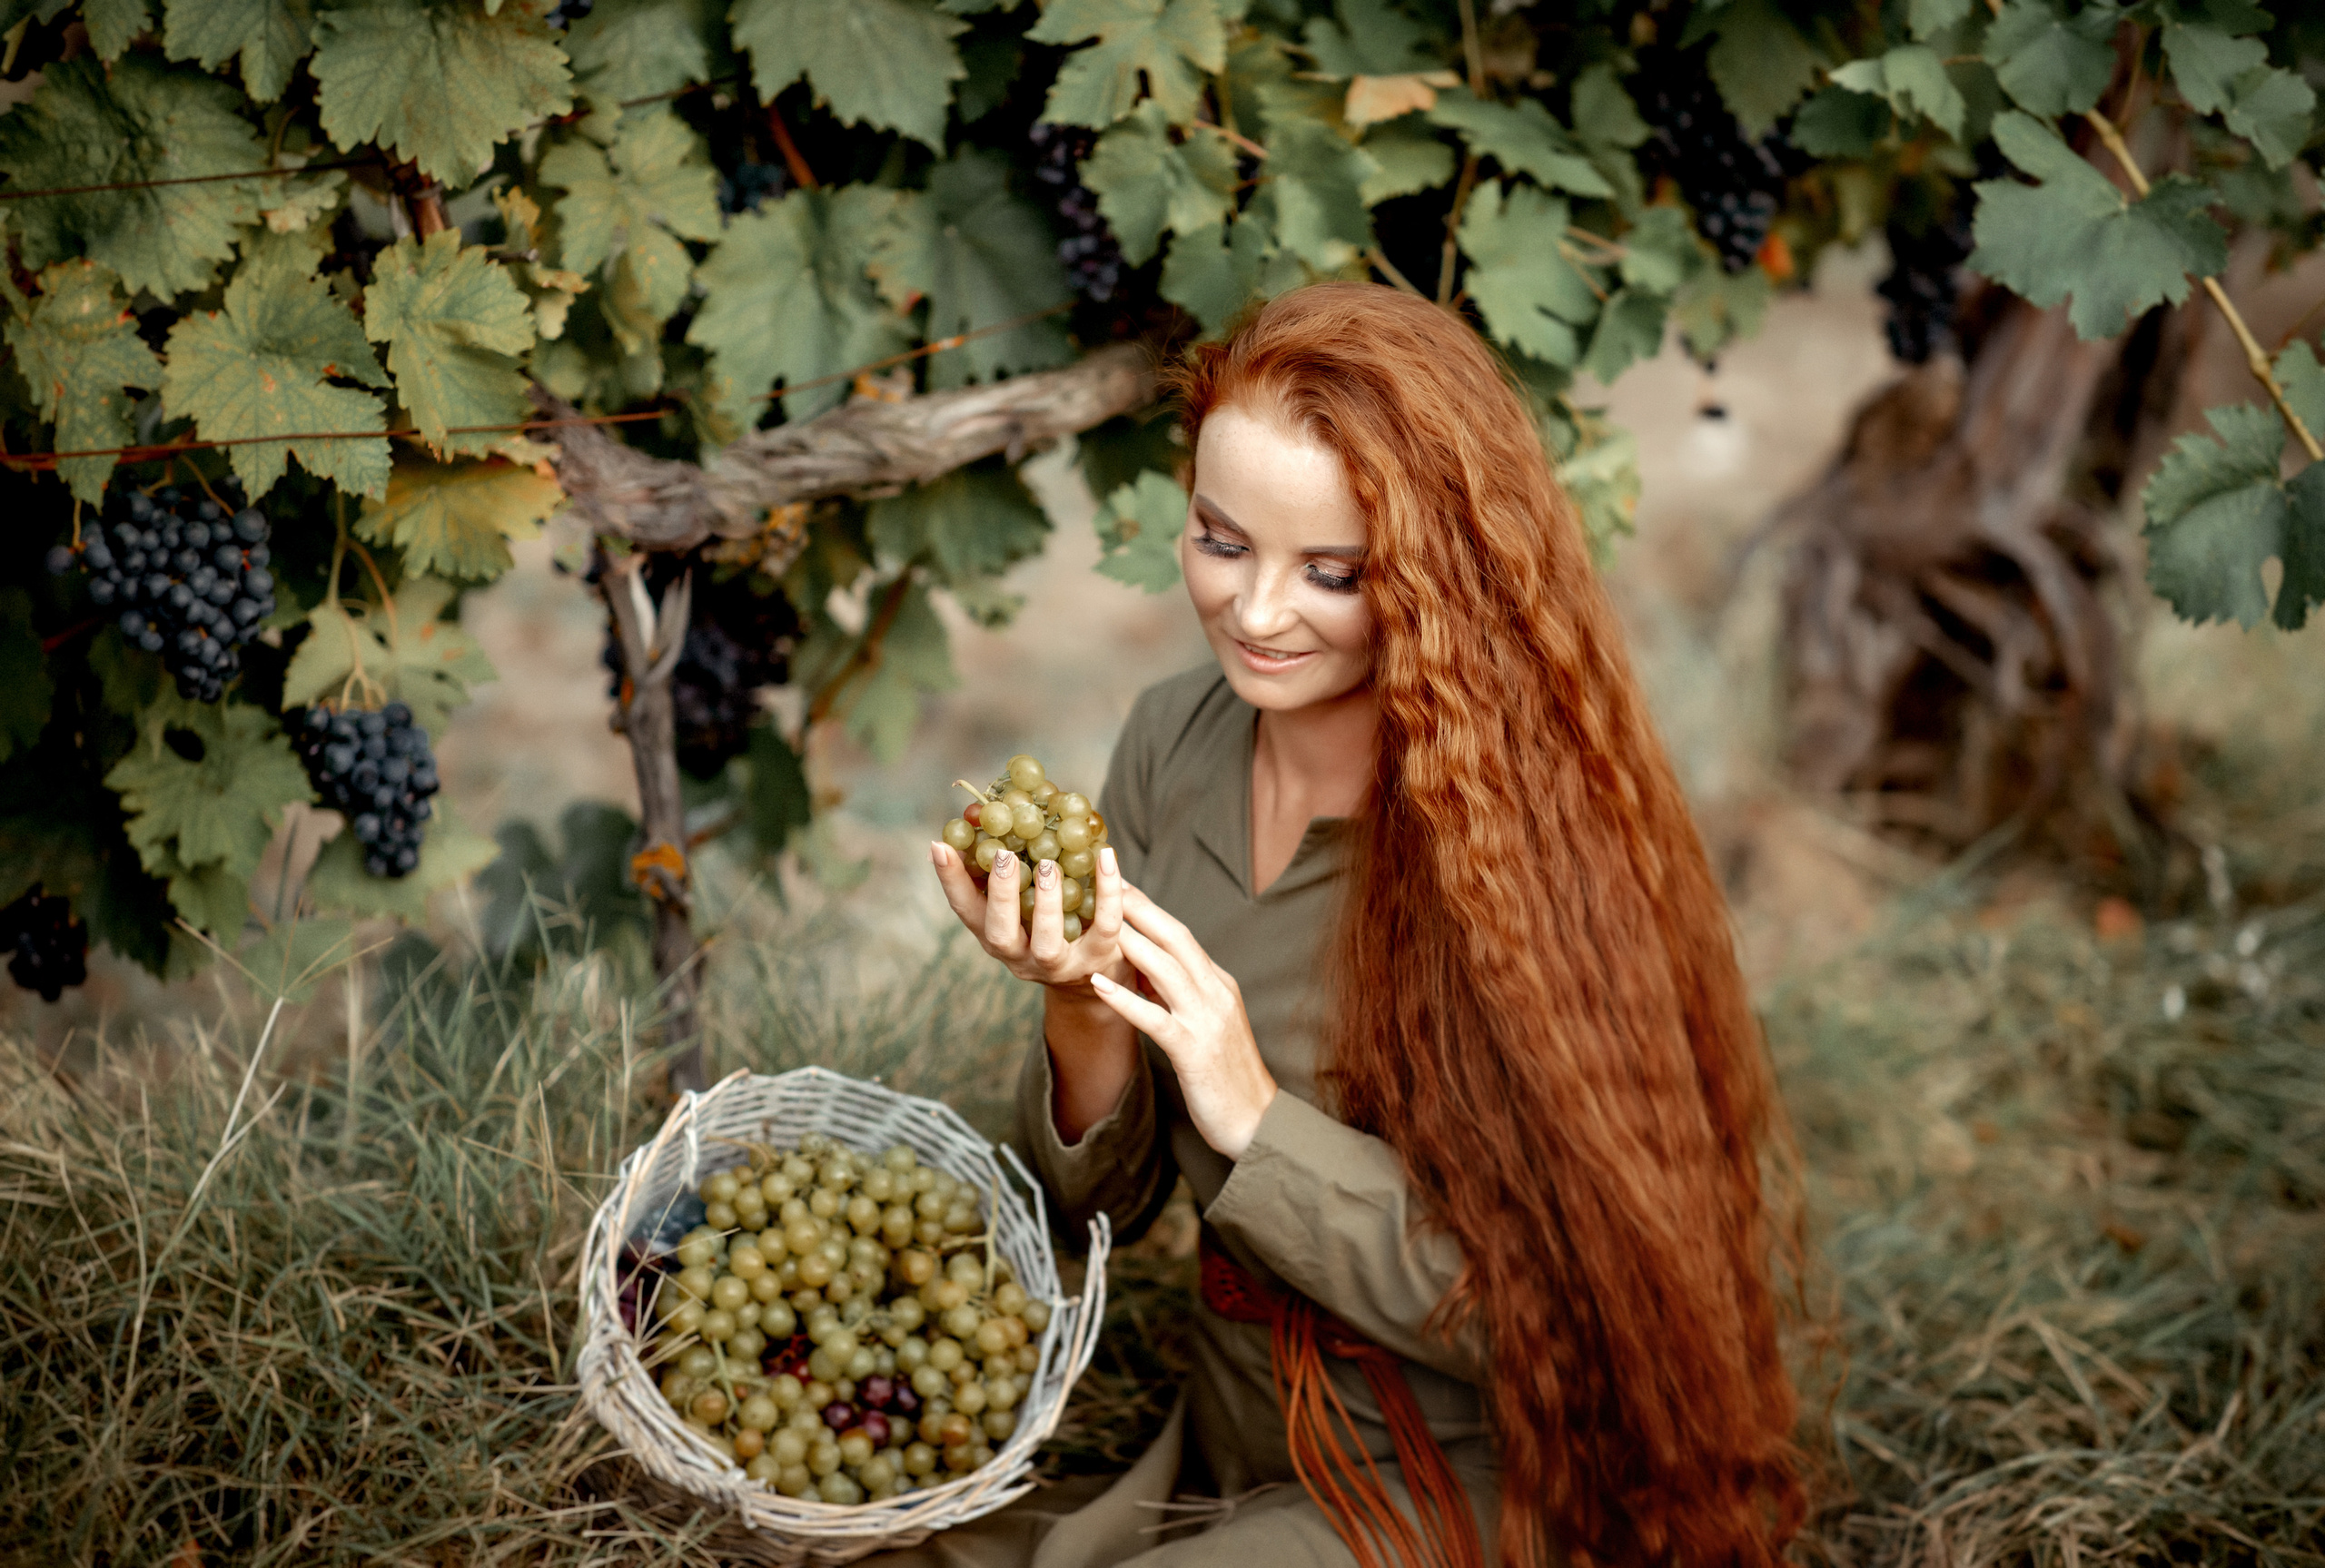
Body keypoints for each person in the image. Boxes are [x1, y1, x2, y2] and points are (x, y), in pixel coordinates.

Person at [917, 282, 1805, 1567]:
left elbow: (1570, 1315)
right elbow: (1093, 1208)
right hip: (1229, 1443)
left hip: (1444, 1479)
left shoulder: (1517, 852)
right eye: (1221, 541)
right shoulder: (1175, 742)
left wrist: (1255, 1119)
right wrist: (1074, 995)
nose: (1258, 612)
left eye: (1333, 573)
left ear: (1438, 578)